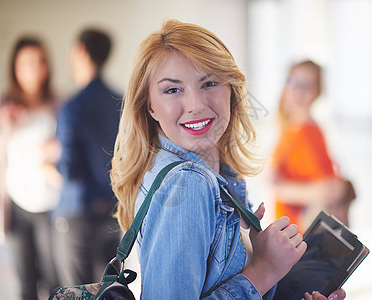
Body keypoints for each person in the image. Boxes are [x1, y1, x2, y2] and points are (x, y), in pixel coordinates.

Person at [110, 19, 346, 300]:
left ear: (231, 90)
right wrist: (263, 269)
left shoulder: (217, 175)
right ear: (150, 106)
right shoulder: (188, 183)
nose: (196, 106)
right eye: (173, 89)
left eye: (209, 83)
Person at [0, 36, 60, 300]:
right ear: (15, 67)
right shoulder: (4, 106)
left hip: (51, 205)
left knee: (55, 279)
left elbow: (71, 151)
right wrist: (6, 127)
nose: (33, 69)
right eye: (26, 63)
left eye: (39, 62)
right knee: (25, 280)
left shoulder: (59, 104)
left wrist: (56, 149)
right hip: (16, 205)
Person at [53, 28, 122, 286]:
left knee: (77, 290)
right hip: (112, 213)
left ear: (80, 50)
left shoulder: (73, 107)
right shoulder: (120, 101)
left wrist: (47, 161)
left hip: (77, 214)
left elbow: (68, 169)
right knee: (110, 290)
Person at [272, 60, 355, 231]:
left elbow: (331, 190)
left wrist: (280, 189)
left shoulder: (308, 132)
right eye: (292, 81)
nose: (295, 91)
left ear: (317, 92)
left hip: (302, 238)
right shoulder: (290, 128)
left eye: (304, 85)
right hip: (291, 235)